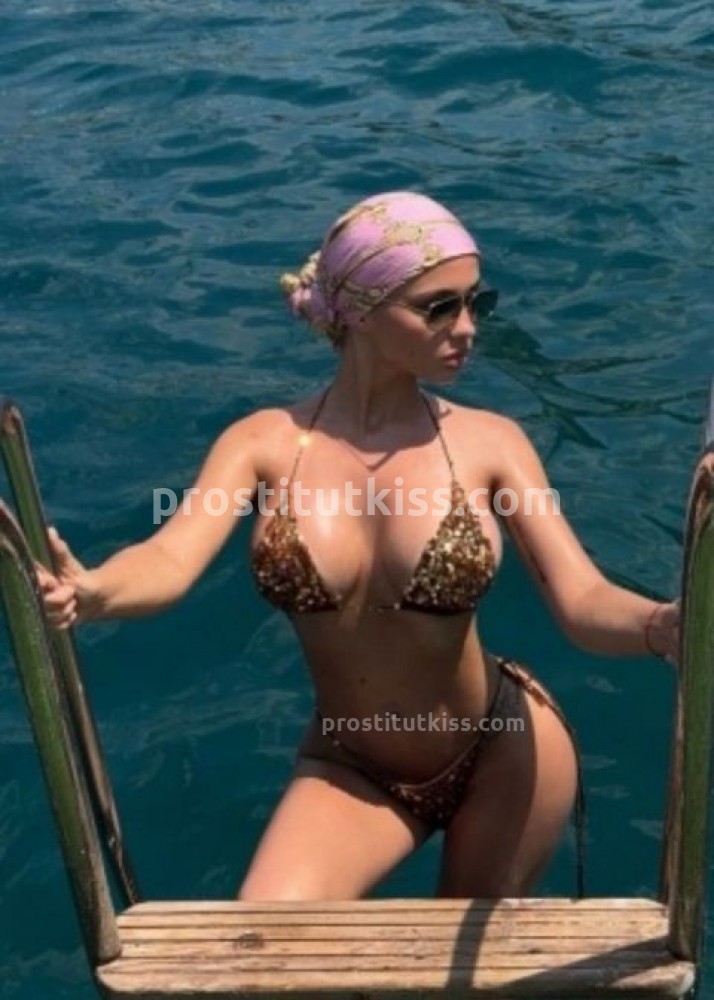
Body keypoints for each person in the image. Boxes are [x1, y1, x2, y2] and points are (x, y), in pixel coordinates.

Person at [36, 191, 680, 901]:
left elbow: (581, 598)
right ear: (363, 310)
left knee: (460, 965)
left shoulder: (492, 444)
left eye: (477, 303)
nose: (468, 327)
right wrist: (95, 592)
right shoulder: (262, 444)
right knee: (261, 938)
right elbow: (170, 556)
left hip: (503, 750)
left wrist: (665, 626)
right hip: (353, 765)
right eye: (439, 307)